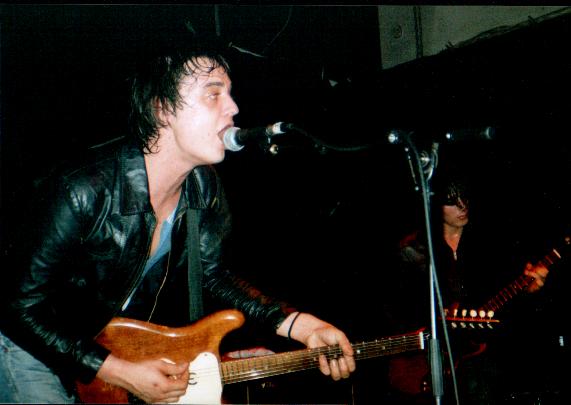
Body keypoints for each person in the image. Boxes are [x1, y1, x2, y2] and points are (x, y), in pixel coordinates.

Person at [0, 37, 355, 404]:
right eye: (213, 94)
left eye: (229, 94)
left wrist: (299, 324)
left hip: (104, 346)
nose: (233, 107)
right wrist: (117, 370)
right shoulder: (82, 189)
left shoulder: (203, 186)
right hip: (29, 348)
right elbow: (16, 306)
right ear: (162, 109)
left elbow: (212, 275)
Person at [384, 171, 551, 405]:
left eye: (464, 197)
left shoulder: (491, 241)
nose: (462, 206)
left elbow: (512, 305)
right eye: (451, 201)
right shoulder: (413, 250)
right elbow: (395, 312)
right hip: (431, 362)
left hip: (484, 364)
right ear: (433, 205)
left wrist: (530, 290)